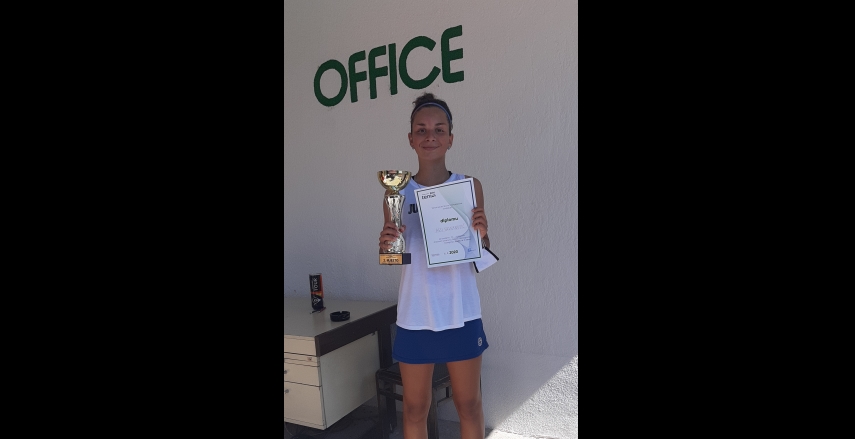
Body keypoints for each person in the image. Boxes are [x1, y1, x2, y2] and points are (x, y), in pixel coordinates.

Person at [378, 92, 490, 439]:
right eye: (422, 130)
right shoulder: (397, 193)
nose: (430, 136)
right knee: (415, 408)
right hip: (416, 313)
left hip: (461, 311)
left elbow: (480, 252)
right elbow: (397, 258)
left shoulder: (469, 186)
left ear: (450, 138)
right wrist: (387, 245)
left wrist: (482, 235)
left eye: (439, 129)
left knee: (468, 404)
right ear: (410, 139)